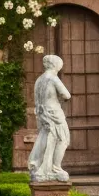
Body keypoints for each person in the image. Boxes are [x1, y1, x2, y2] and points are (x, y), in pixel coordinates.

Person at [28, 53, 72, 184]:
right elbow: (66, 95)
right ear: (56, 65)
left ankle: (42, 166)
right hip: (54, 113)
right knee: (63, 139)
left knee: (47, 139)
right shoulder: (53, 78)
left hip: (43, 113)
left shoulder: (39, 79)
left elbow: (36, 99)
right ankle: (55, 168)